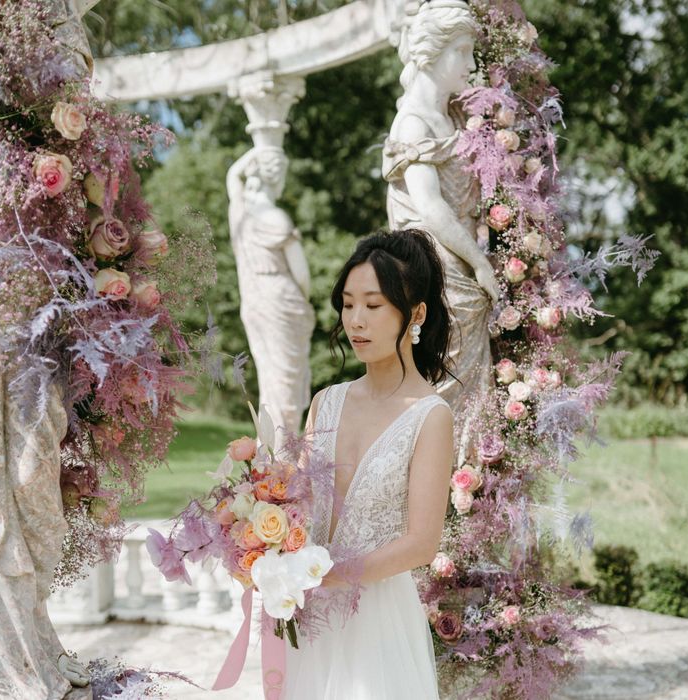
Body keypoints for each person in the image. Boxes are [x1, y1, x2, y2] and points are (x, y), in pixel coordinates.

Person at [283, 229, 454, 699]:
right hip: (309, 617)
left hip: (377, 622)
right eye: (348, 303)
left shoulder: (430, 416)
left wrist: (328, 574)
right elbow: (293, 504)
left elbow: (422, 543)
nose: (356, 320)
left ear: (415, 314)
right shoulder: (326, 402)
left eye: (374, 306)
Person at [383, 0, 499, 452]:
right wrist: (480, 263)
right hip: (439, 271)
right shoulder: (412, 122)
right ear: (432, 52)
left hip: (462, 267)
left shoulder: (452, 118)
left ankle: (468, 496)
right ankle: (440, 495)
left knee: (471, 395)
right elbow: (431, 207)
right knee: (441, 387)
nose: (470, 65)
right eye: (463, 51)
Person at [227, 146, 315, 446]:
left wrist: (253, 155)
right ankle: (283, 454)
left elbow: (232, 178)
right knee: (285, 384)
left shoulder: (240, 214)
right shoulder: (275, 217)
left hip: (254, 299)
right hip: (282, 298)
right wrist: (305, 302)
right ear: (276, 178)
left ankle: (271, 452)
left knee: (271, 380)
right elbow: (301, 273)